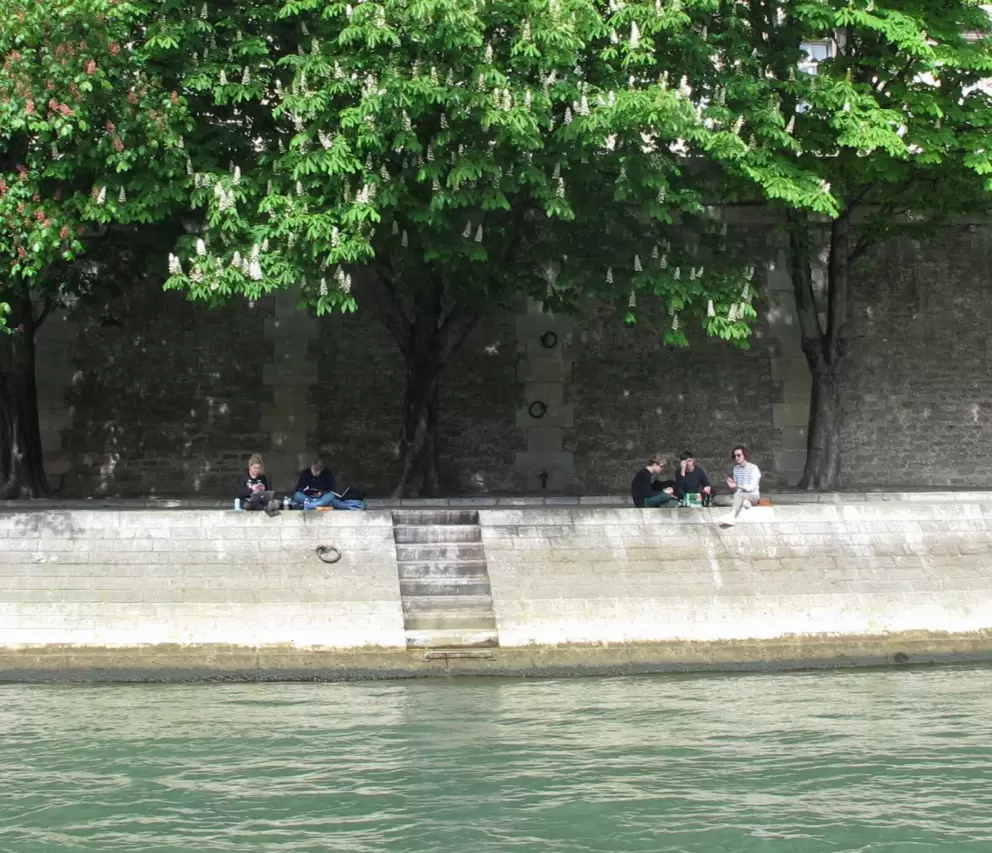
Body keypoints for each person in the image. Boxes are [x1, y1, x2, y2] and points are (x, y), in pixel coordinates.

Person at [722, 444, 761, 526]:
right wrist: (732, 485)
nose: (736, 458)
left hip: (753, 496)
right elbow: (737, 489)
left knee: (738, 496)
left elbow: (751, 488)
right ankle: (744, 503)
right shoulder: (735, 469)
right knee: (716, 499)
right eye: (734, 456)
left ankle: (732, 516)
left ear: (745, 455)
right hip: (739, 494)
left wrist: (737, 486)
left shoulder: (754, 468)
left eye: (739, 455)